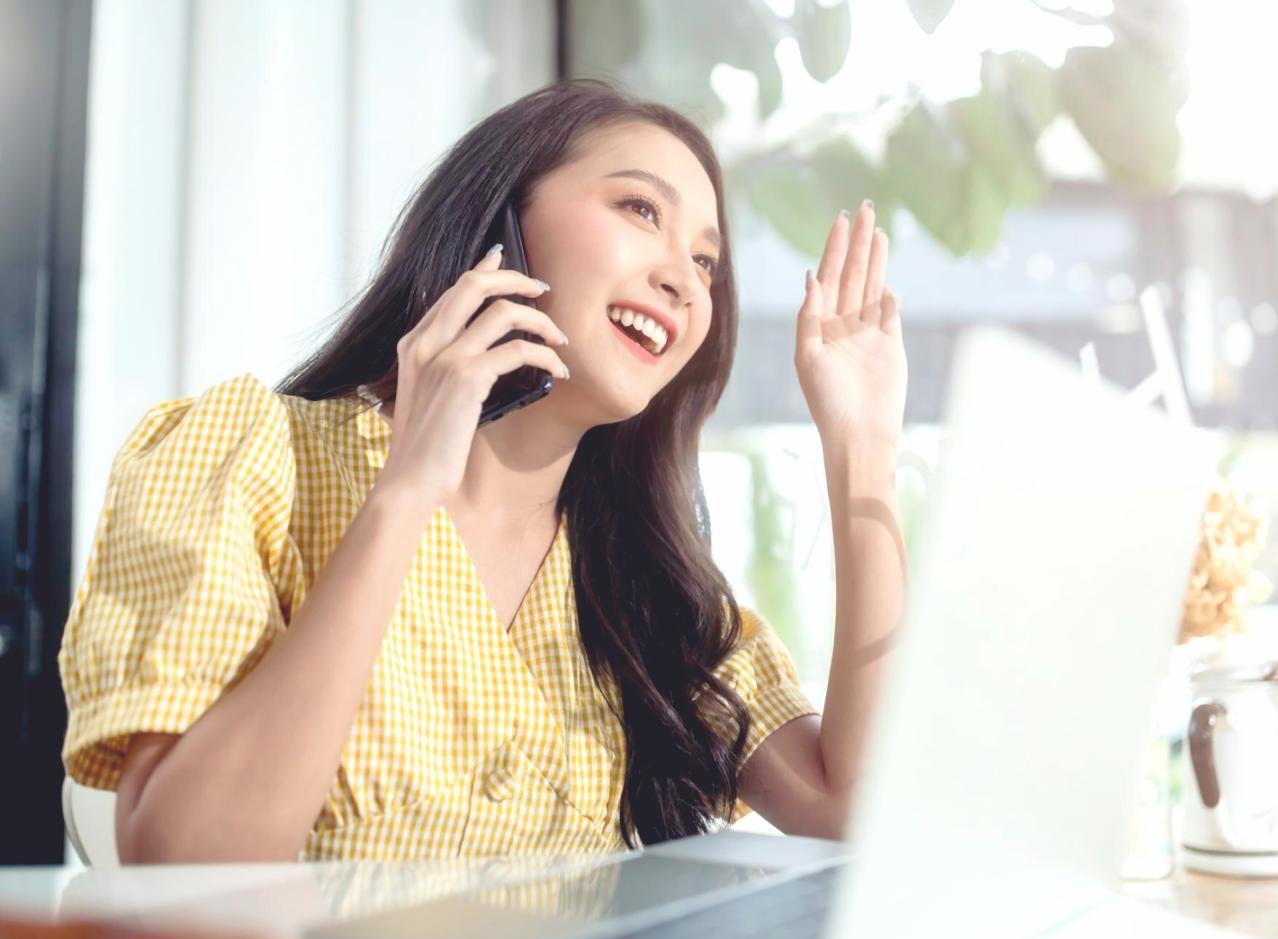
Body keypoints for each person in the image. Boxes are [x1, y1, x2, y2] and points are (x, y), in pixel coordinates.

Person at [59, 78, 908, 863]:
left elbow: (853, 810)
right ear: (503, 222)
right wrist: (407, 491)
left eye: (706, 261)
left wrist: (861, 444)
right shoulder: (243, 454)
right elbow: (182, 853)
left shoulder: (651, 589)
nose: (683, 280)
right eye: (639, 208)